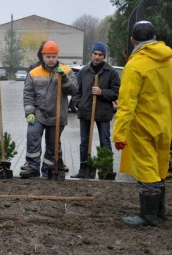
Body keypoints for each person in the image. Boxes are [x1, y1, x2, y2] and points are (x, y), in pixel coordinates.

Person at [114, 20, 172, 227]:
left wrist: (119, 133)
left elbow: (126, 103)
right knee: (160, 167)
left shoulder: (135, 65)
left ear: (132, 41)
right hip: (165, 124)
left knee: (147, 168)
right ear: (155, 37)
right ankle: (160, 210)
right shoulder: (169, 60)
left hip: (143, 126)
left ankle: (148, 215)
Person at [21, 40, 78, 178]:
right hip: (39, 114)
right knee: (32, 134)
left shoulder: (67, 71)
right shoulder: (34, 73)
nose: (51, 59)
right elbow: (28, 94)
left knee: (52, 144)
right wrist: (29, 112)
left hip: (57, 114)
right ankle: (33, 166)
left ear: (57, 56)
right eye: (48, 56)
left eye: (53, 57)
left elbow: (74, 90)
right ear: (43, 56)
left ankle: (47, 169)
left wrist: (64, 78)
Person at [71, 42, 120, 179]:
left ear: (104, 56)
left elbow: (116, 93)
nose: (97, 57)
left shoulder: (111, 72)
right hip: (85, 111)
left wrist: (102, 92)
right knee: (84, 141)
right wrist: (78, 103)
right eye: (95, 54)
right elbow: (76, 91)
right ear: (91, 54)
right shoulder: (83, 72)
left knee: (104, 140)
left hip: (103, 112)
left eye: (100, 55)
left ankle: (107, 169)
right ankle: (84, 168)